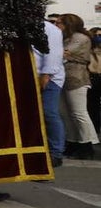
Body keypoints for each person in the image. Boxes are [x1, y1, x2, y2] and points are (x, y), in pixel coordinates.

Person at [58, 14, 98, 159]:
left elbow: (64, 52)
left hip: (77, 77)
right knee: (65, 113)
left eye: (59, 23)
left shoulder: (80, 38)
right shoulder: (66, 37)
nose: (57, 26)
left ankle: (86, 144)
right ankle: (73, 141)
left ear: (68, 24)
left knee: (78, 112)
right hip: (64, 76)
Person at [36, 17, 66, 167]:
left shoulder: (49, 28)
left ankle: (56, 152)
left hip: (49, 78)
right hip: (31, 77)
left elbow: (53, 53)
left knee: (49, 113)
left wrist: (46, 75)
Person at [88, 27, 101, 136]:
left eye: (100, 35)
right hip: (93, 78)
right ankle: (95, 130)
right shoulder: (88, 50)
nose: (98, 38)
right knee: (93, 105)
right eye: (96, 35)